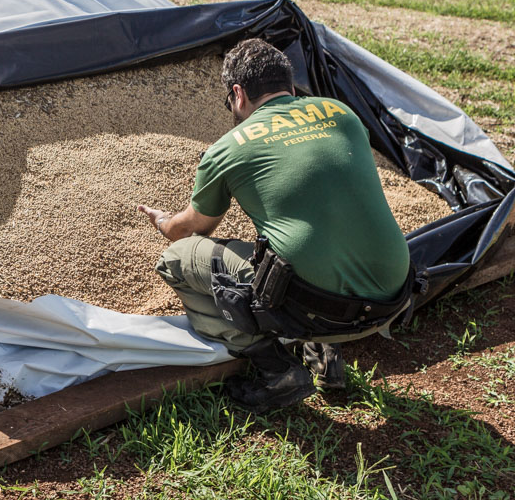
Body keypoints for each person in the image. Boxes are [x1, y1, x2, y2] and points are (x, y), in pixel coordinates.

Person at [137, 38, 413, 411]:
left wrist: (163, 220)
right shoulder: (342, 113)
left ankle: (276, 370)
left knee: (177, 258)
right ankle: (325, 356)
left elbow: (190, 230)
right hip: (394, 295)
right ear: (290, 84)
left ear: (238, 93)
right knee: (298, 231)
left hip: (322, 310)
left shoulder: (228, 148)